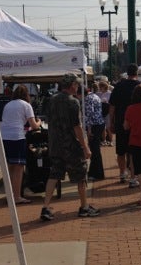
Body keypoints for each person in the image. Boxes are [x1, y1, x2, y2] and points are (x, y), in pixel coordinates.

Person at [39, 73, 99, 222]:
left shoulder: (51, 100)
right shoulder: (73, 102)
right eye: (77, 85)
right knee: (80, 175)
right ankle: (84, 207)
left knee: (54, 175)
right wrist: (85, 147)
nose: (78, 87)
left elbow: (47, 120)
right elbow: (77, 127)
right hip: (71, 145)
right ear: (72, 85)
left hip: (55, 144)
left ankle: (45, 207)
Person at [0, 84, 41, 205]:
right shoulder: (26, 105)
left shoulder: (8, 105)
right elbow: (33, 125)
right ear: (26, 94)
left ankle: (10, 195)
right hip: (17, 137)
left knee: (10, 167)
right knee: (19, 168)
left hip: (5, 136)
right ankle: (17, 196)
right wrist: (39, 122)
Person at [109, 63, 140, 188]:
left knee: (120, 151)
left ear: (127, 73)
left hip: (121, 121)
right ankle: (133, 178)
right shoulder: (140, 86)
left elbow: (112, 106)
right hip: (135, 123)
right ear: (136, 73)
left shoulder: (118, 86)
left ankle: (122, 174)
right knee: (133, 151)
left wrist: (111, 122)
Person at [85, 82, 105, 181]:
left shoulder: (88, 99)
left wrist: (89, 130)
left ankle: (97, 173)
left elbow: (90, 114)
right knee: (95, 150)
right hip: (99, 124)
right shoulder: (94, 96)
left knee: (94, 150)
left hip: (94, 126)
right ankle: (95, 172)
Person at [97, 80, 113, 145]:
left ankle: (111, 141)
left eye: (101, 87)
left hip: (107, 112)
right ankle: (104, 141)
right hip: (100, 112)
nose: (100, 88)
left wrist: (106, 102)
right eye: (99, 87)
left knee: (108, 127)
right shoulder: (98, 93)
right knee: (102, 127)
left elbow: (112, 103)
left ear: (105, 87)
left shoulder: (110, 93)